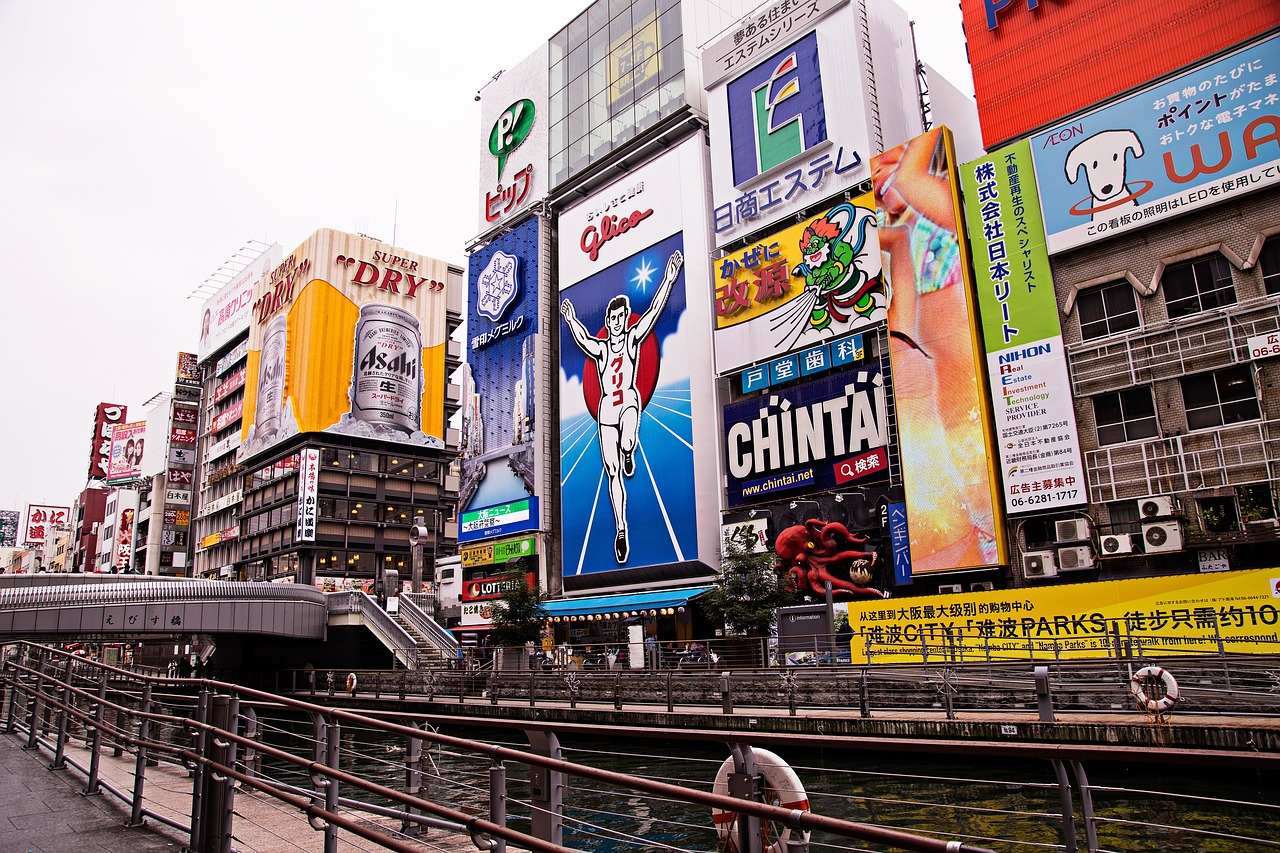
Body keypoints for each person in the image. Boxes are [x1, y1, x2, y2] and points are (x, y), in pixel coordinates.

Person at [561, 249, 683, 563]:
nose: (616, 323)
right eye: (612, 319)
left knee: (628, 440)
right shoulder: (601, 349)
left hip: (628, 401)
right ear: (608, 320)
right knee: (612, 472)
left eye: (620, 318)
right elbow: (583, 339)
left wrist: (669, 278)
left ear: (624, 318)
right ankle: (621, 528)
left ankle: (630, 450)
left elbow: (654, 313)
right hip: (606, 411)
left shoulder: (631, 341)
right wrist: (571, 318)